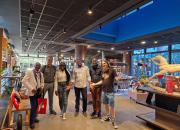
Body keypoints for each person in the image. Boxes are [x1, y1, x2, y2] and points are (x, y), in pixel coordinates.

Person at [92, 60, 119, 129]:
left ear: (107, 64)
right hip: (104, 91)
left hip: (110, 92)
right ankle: (107, 116)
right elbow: (102, 81)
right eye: (102, 64)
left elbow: (116, 78)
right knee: (105, 104)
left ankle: (113, 121)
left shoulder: (112, 70)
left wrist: (117, 79)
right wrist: (95, 84)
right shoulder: (103, 72)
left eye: (104, 64)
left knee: (112, 107)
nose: (103, 65)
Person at [22, 62, 44, 129]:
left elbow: (42, 82)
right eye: (36, 65)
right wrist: (31, 89)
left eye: (39, 66)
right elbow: (24, 81)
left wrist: (41, 87)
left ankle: (34, 118)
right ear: (34, 66)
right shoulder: (30, 72)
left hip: (38, 92)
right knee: (33, 106)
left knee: (37, 105)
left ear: (40, 67)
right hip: (32, 92)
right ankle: (31, 122)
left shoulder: (41, 73)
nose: (37, 67)